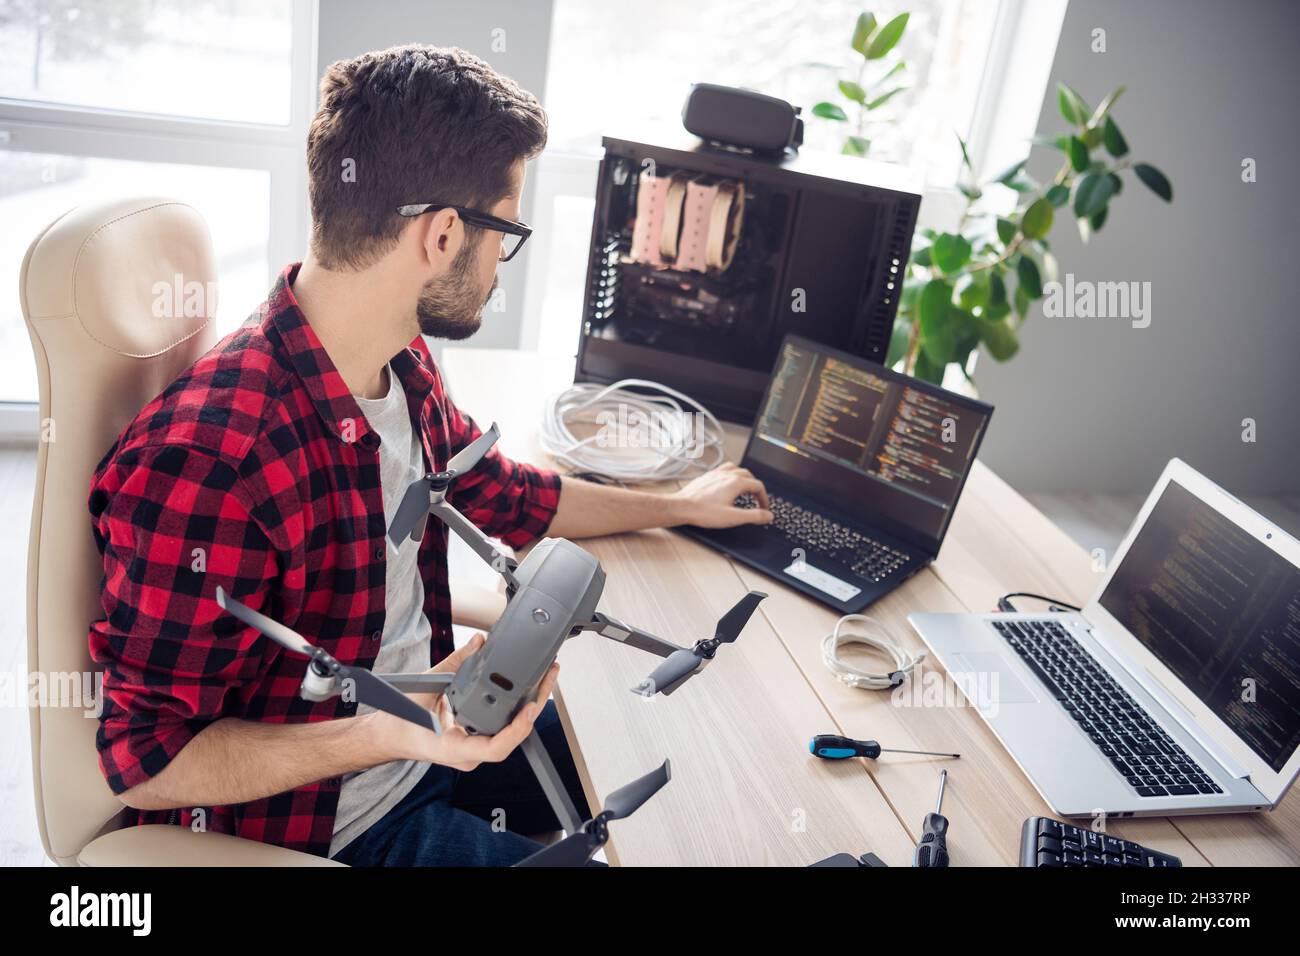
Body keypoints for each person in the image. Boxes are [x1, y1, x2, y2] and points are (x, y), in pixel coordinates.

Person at [88, 44, 772, 866]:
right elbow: (145, 761)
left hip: (441, 731)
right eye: (506, 232)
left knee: (677, 742)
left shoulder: (395, 359)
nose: (500, 267)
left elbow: (507, 496)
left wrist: (681, 506)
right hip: (340, 821)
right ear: (444, 233)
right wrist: (386, 733)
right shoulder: (211, 461)